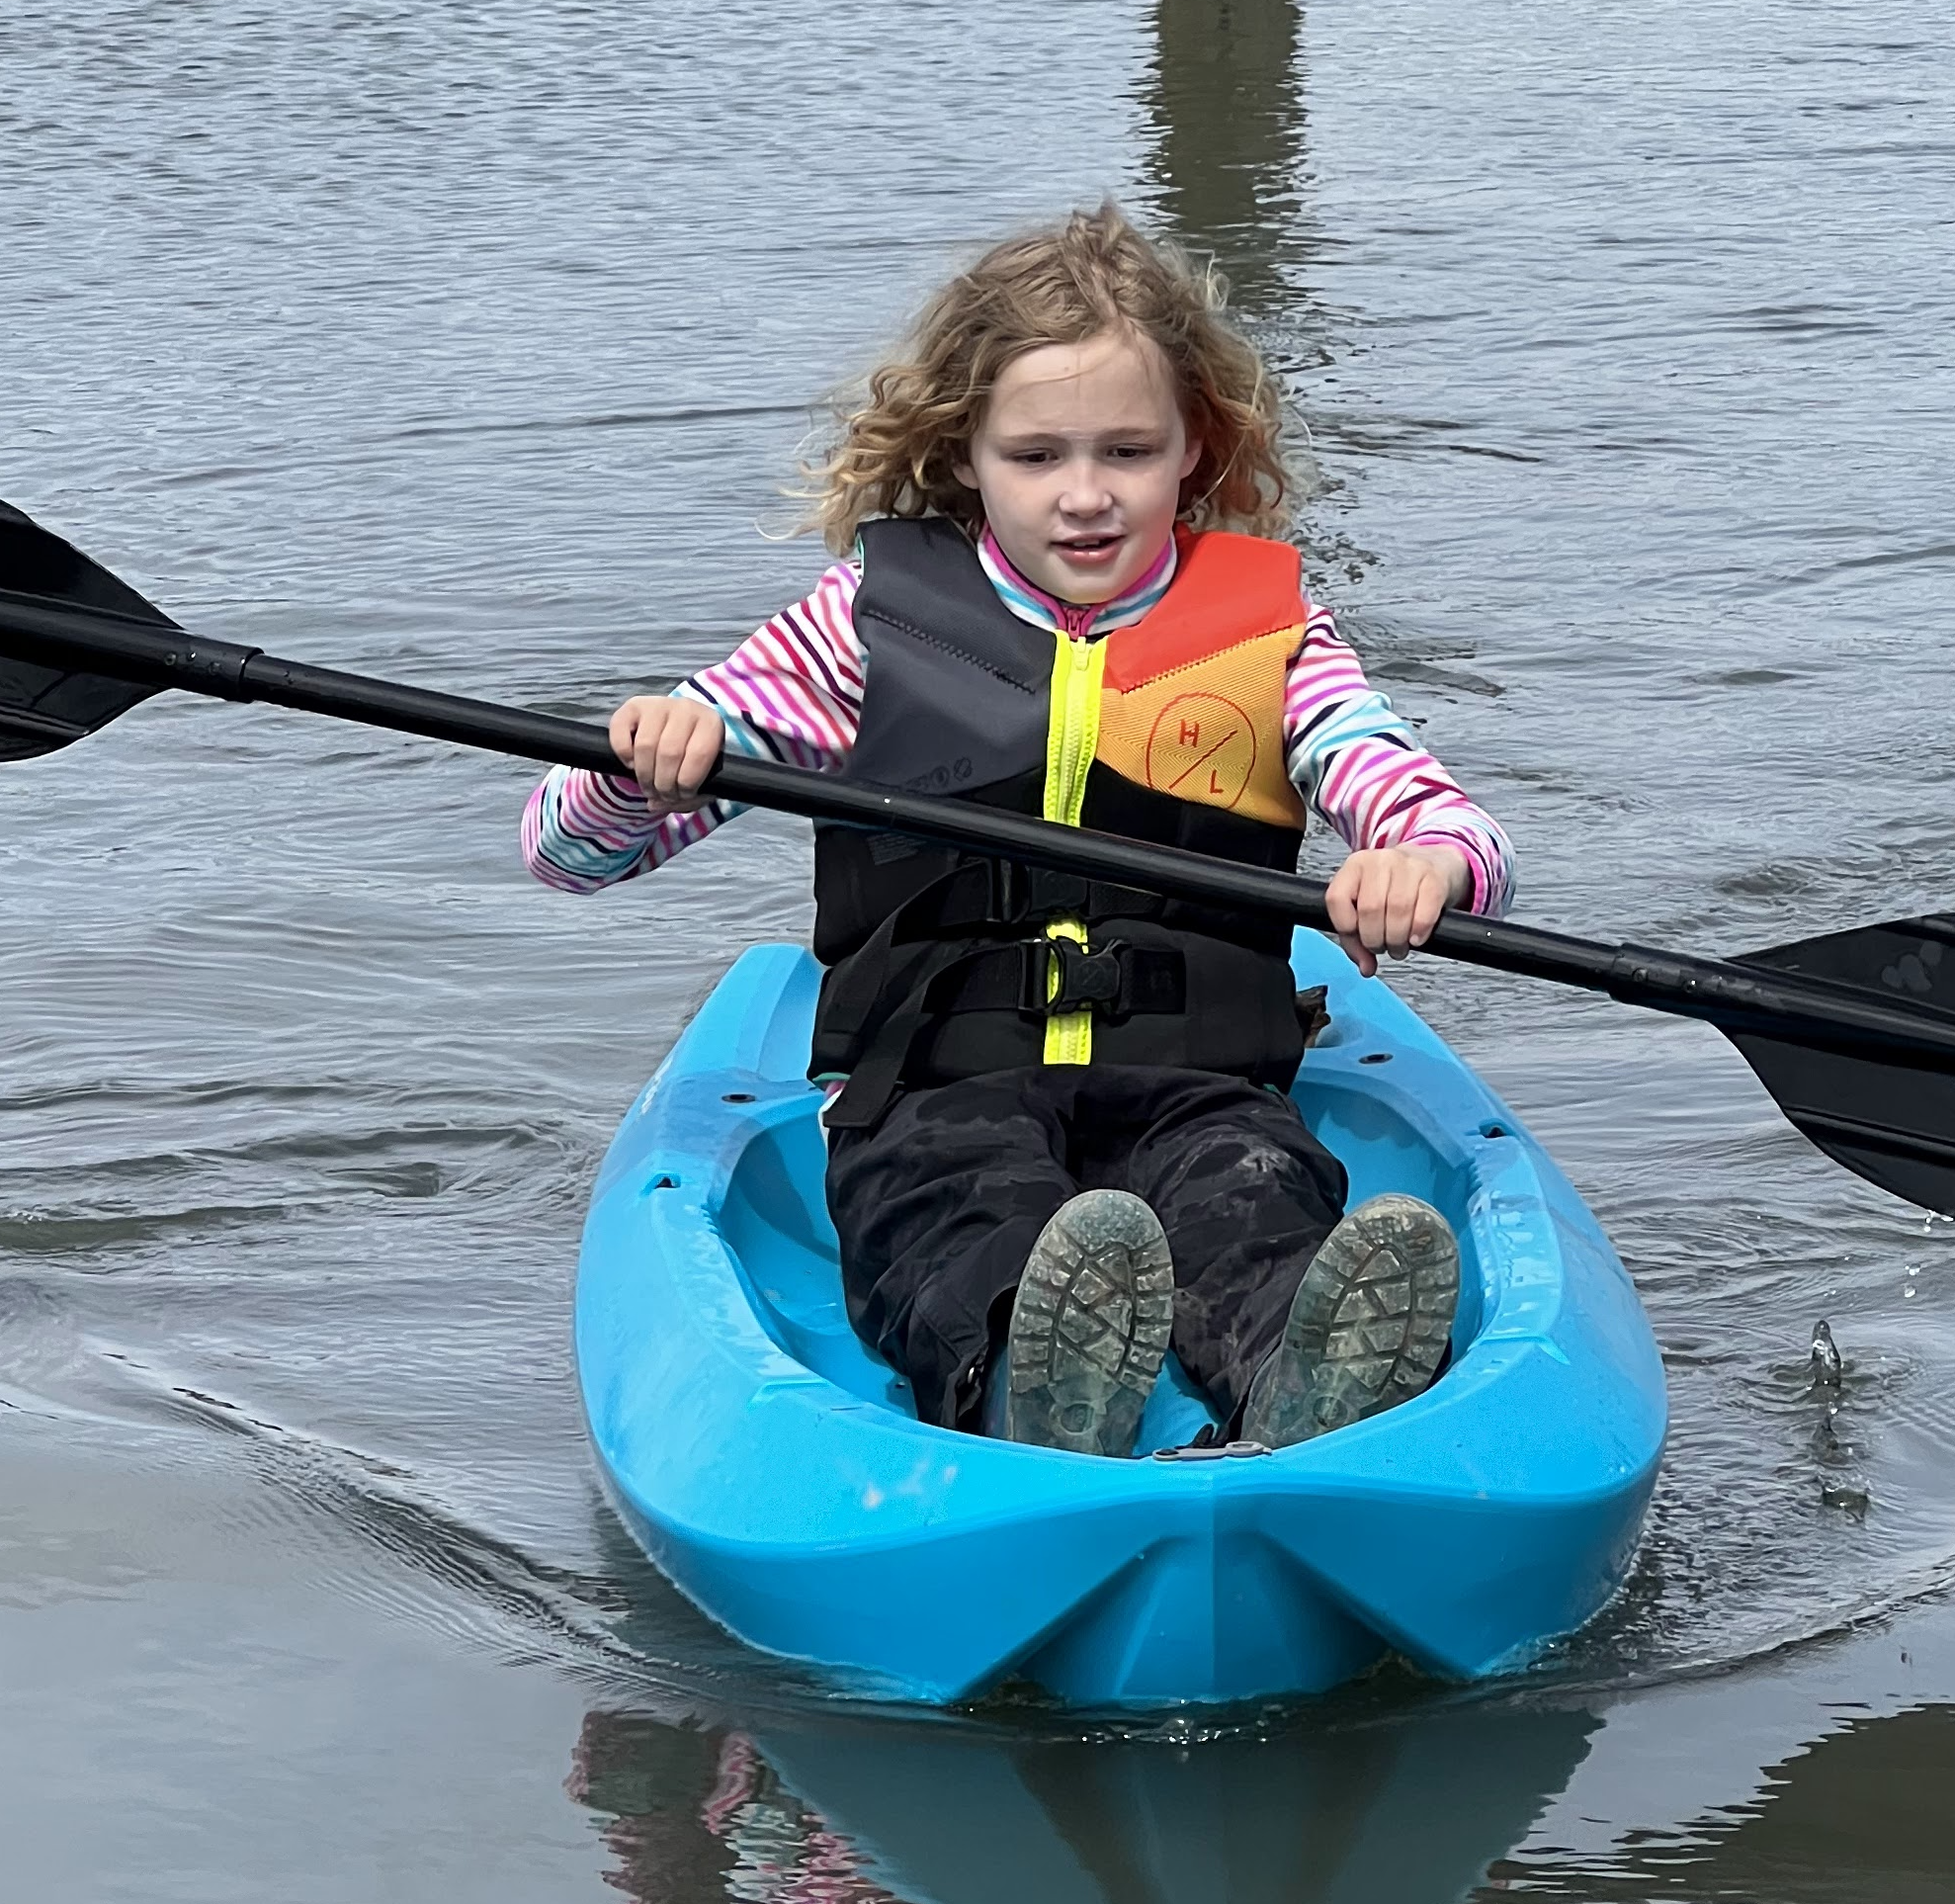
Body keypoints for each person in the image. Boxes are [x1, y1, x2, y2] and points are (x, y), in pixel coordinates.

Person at [521, 203, 1516, 1456]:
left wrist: (1422, 862)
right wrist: (642, 775)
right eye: (1037, 456)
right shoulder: (857, 630)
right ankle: (1025, 1388)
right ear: (965, 454)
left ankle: (1302, 1388)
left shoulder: (1268, 638)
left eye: (1128, 452)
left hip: (1196, 1084)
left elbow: (1443, 820)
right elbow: (565, 853)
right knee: (957, 1224)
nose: (1085, 496)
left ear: (1193, 450)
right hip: (938, 1084)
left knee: (1254, 1203)